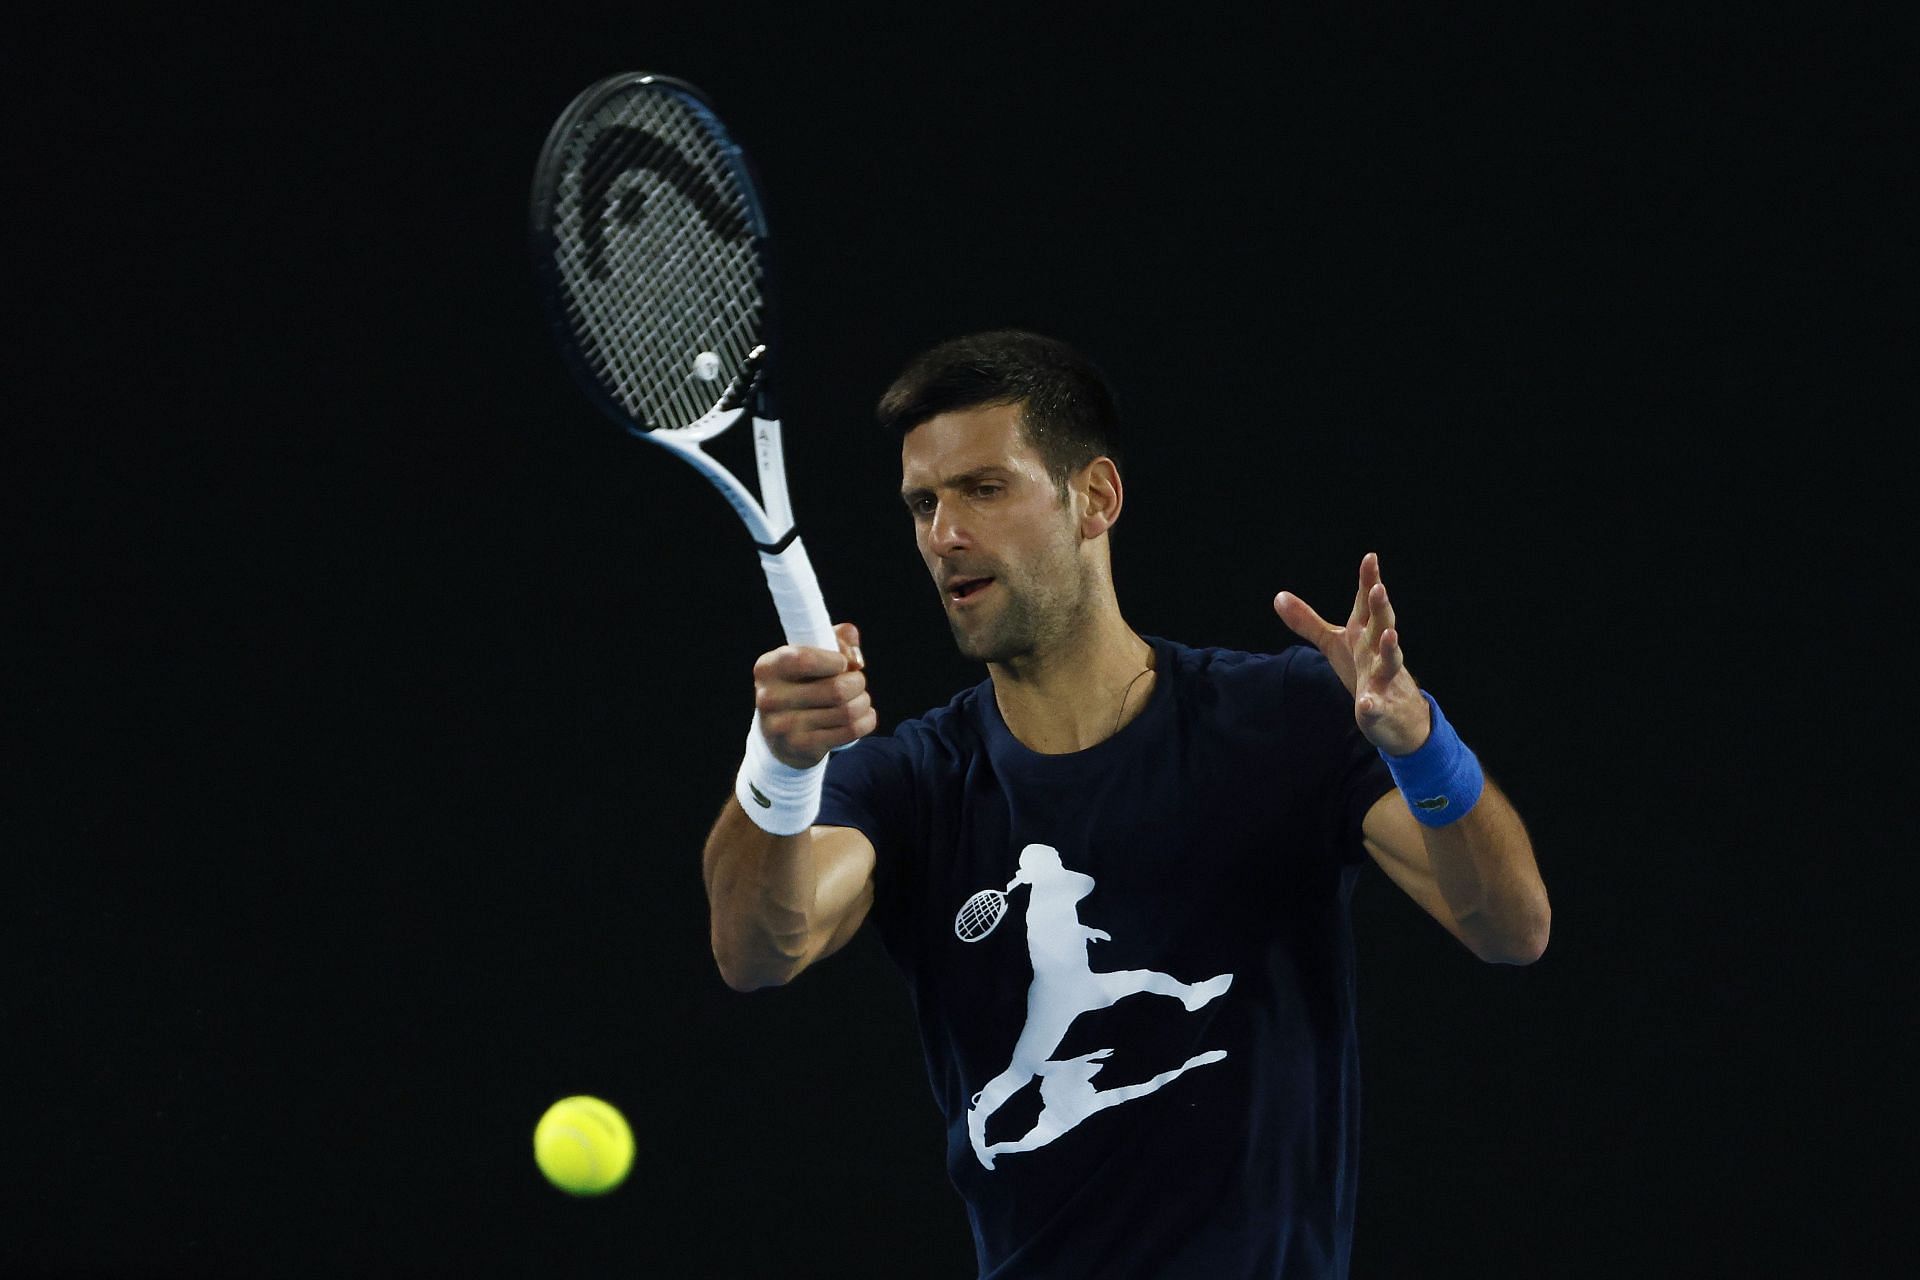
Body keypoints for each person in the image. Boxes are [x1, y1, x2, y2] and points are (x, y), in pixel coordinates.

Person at [701, 330, 1550, 1279]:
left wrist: (1423, 744)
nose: (944, 534)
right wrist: (777, 764)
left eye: (985, 488)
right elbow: (756, 948)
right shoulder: (908, 784)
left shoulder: (1285, 720)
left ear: (1094, 498)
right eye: (923, 504)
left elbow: (1510, 926)